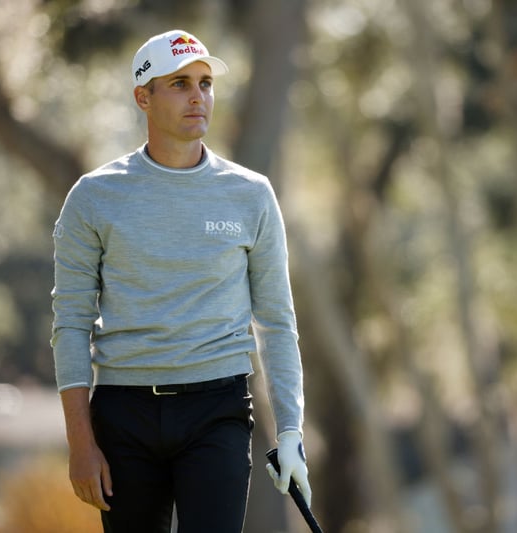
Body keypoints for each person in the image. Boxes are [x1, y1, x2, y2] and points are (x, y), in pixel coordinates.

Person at [50, 29, 311, 532]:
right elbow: (71, 323)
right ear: (142, 97)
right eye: (180, 83)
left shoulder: (250, 194)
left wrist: (293, 429)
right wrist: (81, 443)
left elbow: (277, 321)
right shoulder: (93, 197)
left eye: (206, 83)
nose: (199, 96)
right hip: (124, 415)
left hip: (217, 411)